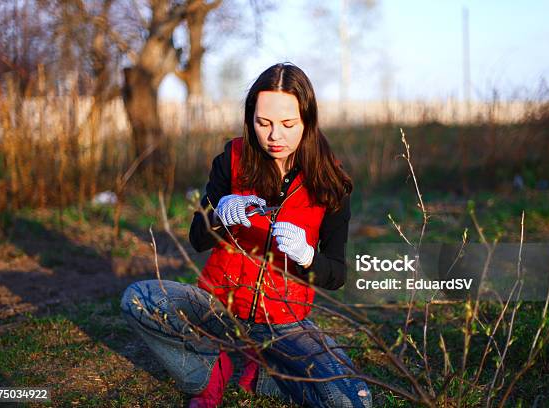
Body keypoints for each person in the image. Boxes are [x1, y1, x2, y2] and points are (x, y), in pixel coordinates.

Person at [120, 63, 372, 408]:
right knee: (139, 298)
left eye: (288, 124)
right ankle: (210, 371)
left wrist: (308, 256)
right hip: (217, 307)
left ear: (308, 121)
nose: (274, 137)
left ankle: (265, 371)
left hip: (283, 321)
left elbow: (336, 275)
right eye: (263, 123)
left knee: (350, 401)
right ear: (250, 117)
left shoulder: (331, 184)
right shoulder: (232, 158)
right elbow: (197, 238)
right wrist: (220, 214)